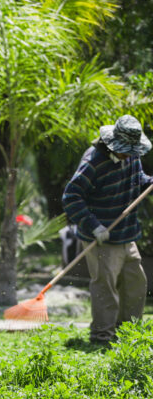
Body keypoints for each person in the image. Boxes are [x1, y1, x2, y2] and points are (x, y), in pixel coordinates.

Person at [62, 114, 152, 346]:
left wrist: (149, 182)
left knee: (136, 283)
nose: (131, 154)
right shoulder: (93, 161)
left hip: (126, 233)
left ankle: (128, 335)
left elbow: (137, 179)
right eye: (126, 150)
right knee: (105, 287)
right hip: (100, 237)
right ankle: (102, 337)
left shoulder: (131, 154)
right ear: (113, 144)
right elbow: (71, 197)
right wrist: (94, 226)